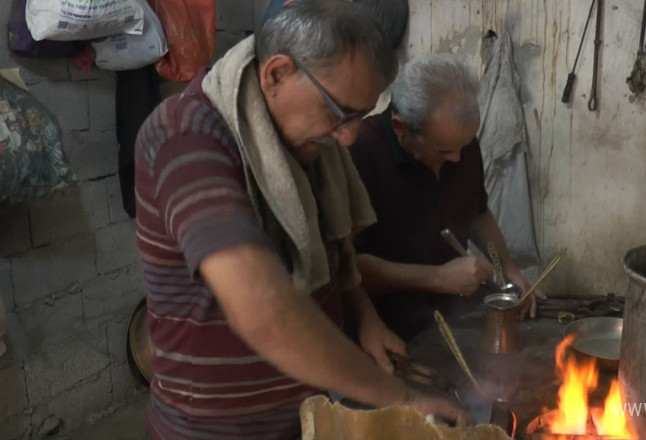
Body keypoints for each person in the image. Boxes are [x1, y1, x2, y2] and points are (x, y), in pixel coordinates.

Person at [133, 2, 468, 438]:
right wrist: (402, 399)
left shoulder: (304, 144)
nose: (347, 137)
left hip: (305, 416)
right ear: (276, 74)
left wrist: (363, 315)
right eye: (338, 111)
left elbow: (332, 253)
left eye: (358, 117)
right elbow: (263, 311)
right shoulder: (190, 139)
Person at [349, 55, 545, 342]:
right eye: (443, 151)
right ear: (401, 128)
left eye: (463, 147)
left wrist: (509, 269)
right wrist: (437, 278)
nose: (456, 158)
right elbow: (348, 267)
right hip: (384, 327)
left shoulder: (460, 143)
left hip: (454, 317)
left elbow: (477, 213)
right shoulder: (360, 153)